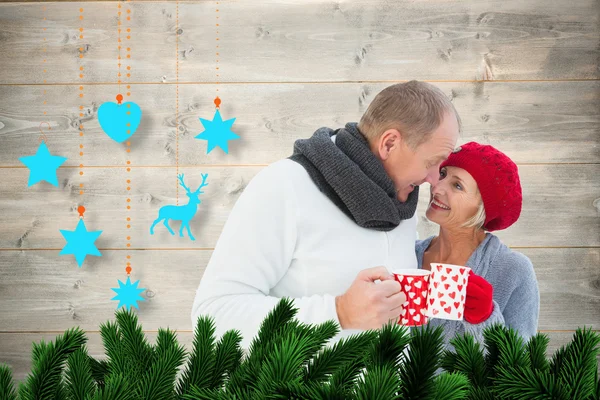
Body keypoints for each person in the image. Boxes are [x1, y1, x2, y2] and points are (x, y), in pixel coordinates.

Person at [191, 80, 461, 349]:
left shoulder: (399, 204)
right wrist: (339, 313)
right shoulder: (285, 186)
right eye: (431, 162)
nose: (434, 179)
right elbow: (213, 315)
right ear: (389, 144)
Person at [416, 142, 540, 347]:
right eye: (443, 173)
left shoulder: (513, 270)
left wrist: (485, 319)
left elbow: (522, 366)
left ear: (483, 208)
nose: (437, 187)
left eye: (457, 185)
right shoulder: (410, 253)